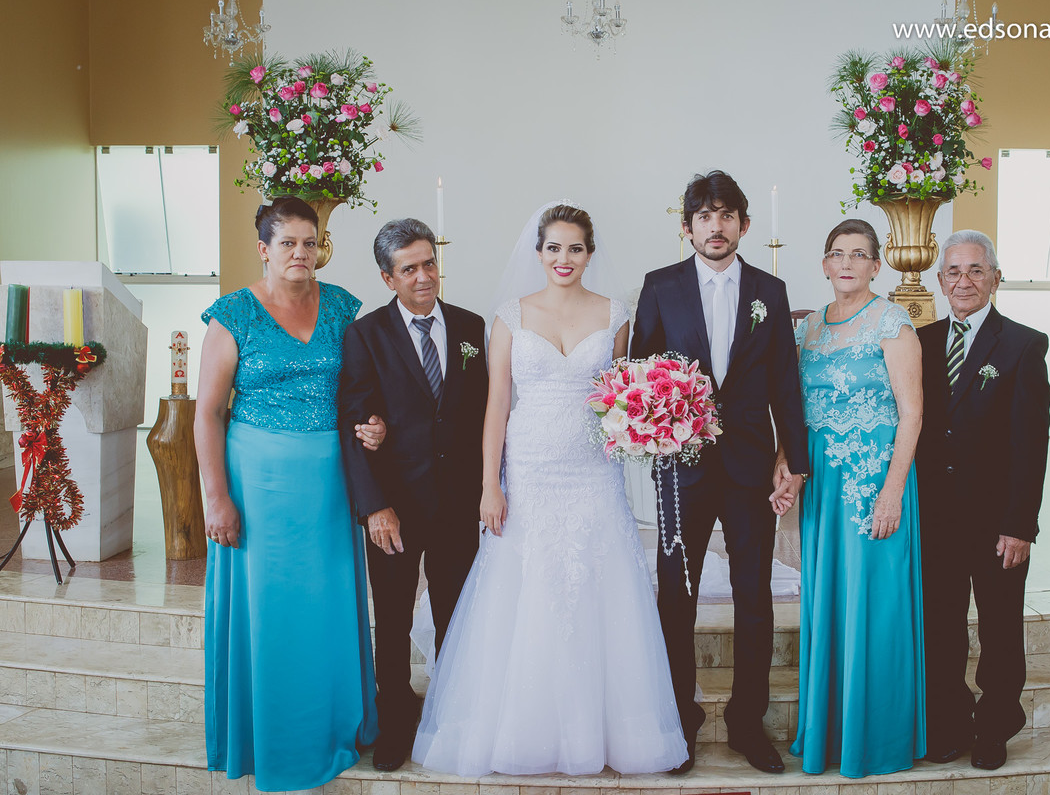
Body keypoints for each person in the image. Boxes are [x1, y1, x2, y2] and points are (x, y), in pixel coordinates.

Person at [411, 202, 688, 776]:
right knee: (526, 588)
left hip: (593, 472)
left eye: (575, 248)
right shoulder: (510, 316)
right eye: (554, 248)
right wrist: (490, 485)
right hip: (529, 470)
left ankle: (604, 731)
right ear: (538, 253)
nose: (564, 258)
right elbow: (496, 405)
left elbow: (620, 395)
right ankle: (523, 730)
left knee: (599, 585)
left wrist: (647, 422)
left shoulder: (615, 314)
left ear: (590, 254)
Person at [196, 197, 383, 791]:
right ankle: (272, 737)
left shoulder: (343, 307)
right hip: (258, 487)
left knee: (326, 606)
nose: (301, 253)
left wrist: (374, 425)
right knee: (270, 610)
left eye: (309, 241)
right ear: (264, 249)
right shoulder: (233, 314)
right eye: (288, 243)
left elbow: (359, 392)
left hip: (328, 485)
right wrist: (216, 498)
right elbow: (207, 414)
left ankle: (333, 724)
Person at [631, 171, 809, 774]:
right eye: (704, 216)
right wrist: (659, 438)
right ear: (687, 227)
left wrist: (794, 460)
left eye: (726, 215)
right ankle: (679, 721)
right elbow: (640, 374)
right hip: (681, 467)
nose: (716, 226)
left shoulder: (769, 290)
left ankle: (747, 722)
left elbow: (785, 381)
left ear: (744, 225)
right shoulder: (661, 286)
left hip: (750, 465)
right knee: (675, 596)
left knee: (753, 595)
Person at [337, 218, 489, 772]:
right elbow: (355, 423)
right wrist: (374, 506)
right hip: (394, 507)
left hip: (458, 503)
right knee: (395, 615)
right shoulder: (365, 335)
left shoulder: (471, 326)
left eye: (429, 263)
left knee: (457, 614)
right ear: (388, 277)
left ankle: (450, 714)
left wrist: (490, 488)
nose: (424, 276)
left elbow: (481, 412)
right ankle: (396, 721)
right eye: (409, 269)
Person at [788, 219, 926, 777]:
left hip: (872, 479)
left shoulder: (893, 323)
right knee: (828, 600)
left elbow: (912, 413)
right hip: (823, 483)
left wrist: (892, 492)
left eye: (859, 254)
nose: (847, 263)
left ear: (876, 265)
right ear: (825, 263)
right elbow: (793, 409)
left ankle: (876, 738)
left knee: (875, 601)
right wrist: (786, 465)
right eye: (838, 253)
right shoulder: (808, 327)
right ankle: (828, 732)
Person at [917, 229, 1050, 771]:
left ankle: (996, 724)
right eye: (954, 271)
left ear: (995, 278)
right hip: (936, 518)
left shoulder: (1023, 345)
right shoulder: (921, 342)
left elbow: (1030, 445)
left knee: (999, 626)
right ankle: (950, 723)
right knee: (941, 625)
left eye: (976, 270)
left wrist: (1020, 525)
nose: (964, 281)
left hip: (997, 521)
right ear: (940, 280)